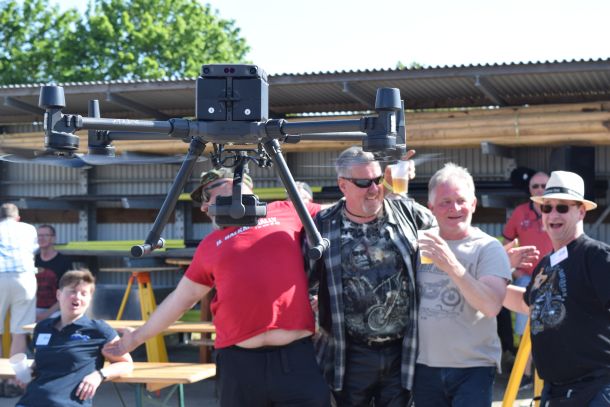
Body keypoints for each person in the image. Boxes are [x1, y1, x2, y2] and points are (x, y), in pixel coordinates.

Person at [104, 168, 331, 407]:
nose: (203, 208)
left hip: (296, 360)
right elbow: (181, 299)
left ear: (230, 185)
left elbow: (342, 211)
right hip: (240, 367)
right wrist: (133, 340)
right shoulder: (210, 245)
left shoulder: (286, 210)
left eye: (206, 198)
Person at [308, 146, 436, 406]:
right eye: (364, 182)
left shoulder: (408, 213)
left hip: (403, 350)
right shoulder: (323, 224)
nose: (374, 189)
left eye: (378, 179)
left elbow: (449, 232)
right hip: (349, 353)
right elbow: (304, 279)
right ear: (343, 185)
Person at [503, 170, 610, 407]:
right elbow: (527, 303)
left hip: (596, 390)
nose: (553, 214)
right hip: (555, 392)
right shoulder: (546, 264)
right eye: (547, 207)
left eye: (562, 207)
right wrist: (490, 276)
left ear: (581, 211)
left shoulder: (596, 256)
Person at [414, 163, 512, 407]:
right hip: (423, 367)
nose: (454, 208)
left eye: (461, 200)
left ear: (474, 204)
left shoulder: (488, 247)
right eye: (445, 202)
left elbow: (491, 306)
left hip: (473, 368)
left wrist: (452, 266)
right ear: (431, 208)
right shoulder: (419, 243)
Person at [15, 269, 133, 407]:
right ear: (58, 295)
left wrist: (99, 375)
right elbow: (43, 361)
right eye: (72, 291)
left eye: (84, 293)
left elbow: (126, 364)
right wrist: (30, 370)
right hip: (30, 401)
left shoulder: (99, 330)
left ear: (90, 298)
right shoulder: (43, 327)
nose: (77, 297)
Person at [0, 203, 38, 398]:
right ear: (18, 217)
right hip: (24, 278)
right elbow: (34, 249)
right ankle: (16, 380)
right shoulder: (28, 229)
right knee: (19, 332)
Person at [34, 224, 73, 321]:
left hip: (56, 311)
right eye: (39, 235)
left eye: (45, 235)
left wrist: (46, 314)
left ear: (53, 238)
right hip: (31, 308)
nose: (41, 238)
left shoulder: (64, 262)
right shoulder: (31, 260)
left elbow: (68, 292)